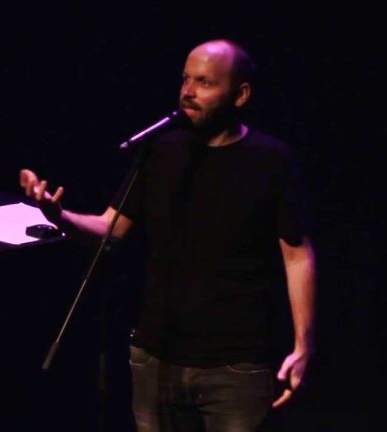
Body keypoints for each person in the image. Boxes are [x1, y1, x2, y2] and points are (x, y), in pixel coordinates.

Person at [19, 39, 316, 431]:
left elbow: (297, 256)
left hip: (235, 365)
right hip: (155, 356)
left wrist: (303, 344)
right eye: (186, 79)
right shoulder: (162, 150)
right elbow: (110, 231)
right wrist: (58, 216)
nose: (188, 92)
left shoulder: (270, 160)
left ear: (240, 94)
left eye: (204, 82)